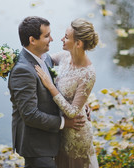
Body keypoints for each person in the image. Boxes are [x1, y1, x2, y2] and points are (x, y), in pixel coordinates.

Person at [8, 16, 85, 168]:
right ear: (32, 40)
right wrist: (65, 123)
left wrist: (79, 104)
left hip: (51, 139)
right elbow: (30, 115)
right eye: (47, 36)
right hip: (36, 145)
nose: (52, 39)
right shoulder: (22, 71)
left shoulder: (45, 58)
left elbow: (56, 88)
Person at [35, 18, 99, 168]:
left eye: (66, 37)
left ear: (78, 43)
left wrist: (51, 87)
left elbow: (71, 112)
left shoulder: (88, 74)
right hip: (61, 130)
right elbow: (42, 60)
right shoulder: (64, 57)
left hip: (76, 134)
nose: (61, 39)